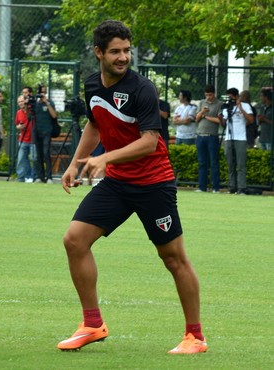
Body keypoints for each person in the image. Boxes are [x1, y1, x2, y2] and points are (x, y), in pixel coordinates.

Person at [58, 20, 208, 355]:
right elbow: (95, 125)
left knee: (173, 258)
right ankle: (92, 324)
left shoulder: (143, 89)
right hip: (118, 183)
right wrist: (76, 162)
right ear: (99, 53)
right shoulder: (92, 85)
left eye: (127, 50)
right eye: (115, 51)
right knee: (74, 240)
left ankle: (195, 337)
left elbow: (149, 142)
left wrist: (105, 159)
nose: (123, 57)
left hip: (154, 183)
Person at [222, 88, 254, 195]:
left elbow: (251, 120)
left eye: (231, 97)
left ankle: (242, 188)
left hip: (240, 137)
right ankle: (232, 187)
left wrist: (240, 108)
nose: (229, 99)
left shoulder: (245, 105)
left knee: (241, 164)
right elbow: (223, 123)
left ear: (236, 96)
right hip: (228, 137)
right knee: (230, 163)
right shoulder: (226, 107)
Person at [195, 84, 222, 193]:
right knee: (202, 162)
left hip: (212, 136)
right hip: (200, 135)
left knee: (214, 162)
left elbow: (219, 121)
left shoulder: (219, 104)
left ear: (214, 94)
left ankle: (216, 187)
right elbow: (196, 119)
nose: (208, 97)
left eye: (210, 95)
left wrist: (206, 116)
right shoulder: (201, 103)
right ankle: (202, 187)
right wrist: (202, 112)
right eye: (206, 95)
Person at [34, 85, 57, 183]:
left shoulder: (50, 103)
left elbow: (54, 115)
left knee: (46, 153)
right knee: (38, 155)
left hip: (47, 132)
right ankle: (40, 176)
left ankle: (49, 177)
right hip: (36, 131)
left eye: (44, 92)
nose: (42, 94)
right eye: (40, 93)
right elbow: (29, 115)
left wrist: (46, 102)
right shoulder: (35, 103)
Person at [15, 95, 36, 182]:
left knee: (34, 158)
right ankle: (21, 177)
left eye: (22, 101)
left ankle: (34, 176)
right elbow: (16, 125)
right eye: (19, 102)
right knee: (21, 159)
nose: (20, 103)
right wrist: (19, 127)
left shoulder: (32, 110)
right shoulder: (19, 112)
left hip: (33, 139)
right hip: (23, 139)